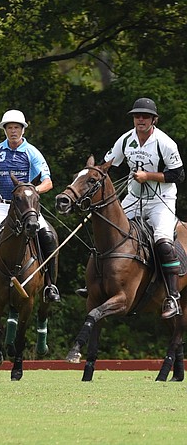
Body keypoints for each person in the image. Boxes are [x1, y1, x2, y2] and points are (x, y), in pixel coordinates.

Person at [75, 98, 184, 318]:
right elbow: (106, 164)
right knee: (109, 232)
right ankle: (95, 285)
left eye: (145, 116)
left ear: (154, 119)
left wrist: (149, 176)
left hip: (160, 200)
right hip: (133, 197)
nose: (140, 120)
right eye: (137, 116)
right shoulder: (126, 140)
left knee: (162, 241)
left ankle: (172, 296)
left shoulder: (165, 143)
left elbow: (178, 174)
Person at [0, 109, 61, 303]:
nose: (13, 131)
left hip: (26, 208)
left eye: (17, 127)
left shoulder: (31, 152)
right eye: (10, 127)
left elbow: (48, 182)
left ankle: (50, 285)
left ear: (23, 130)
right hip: (2, 206)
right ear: (5, 130)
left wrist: (32, 191)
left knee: (48, 236)